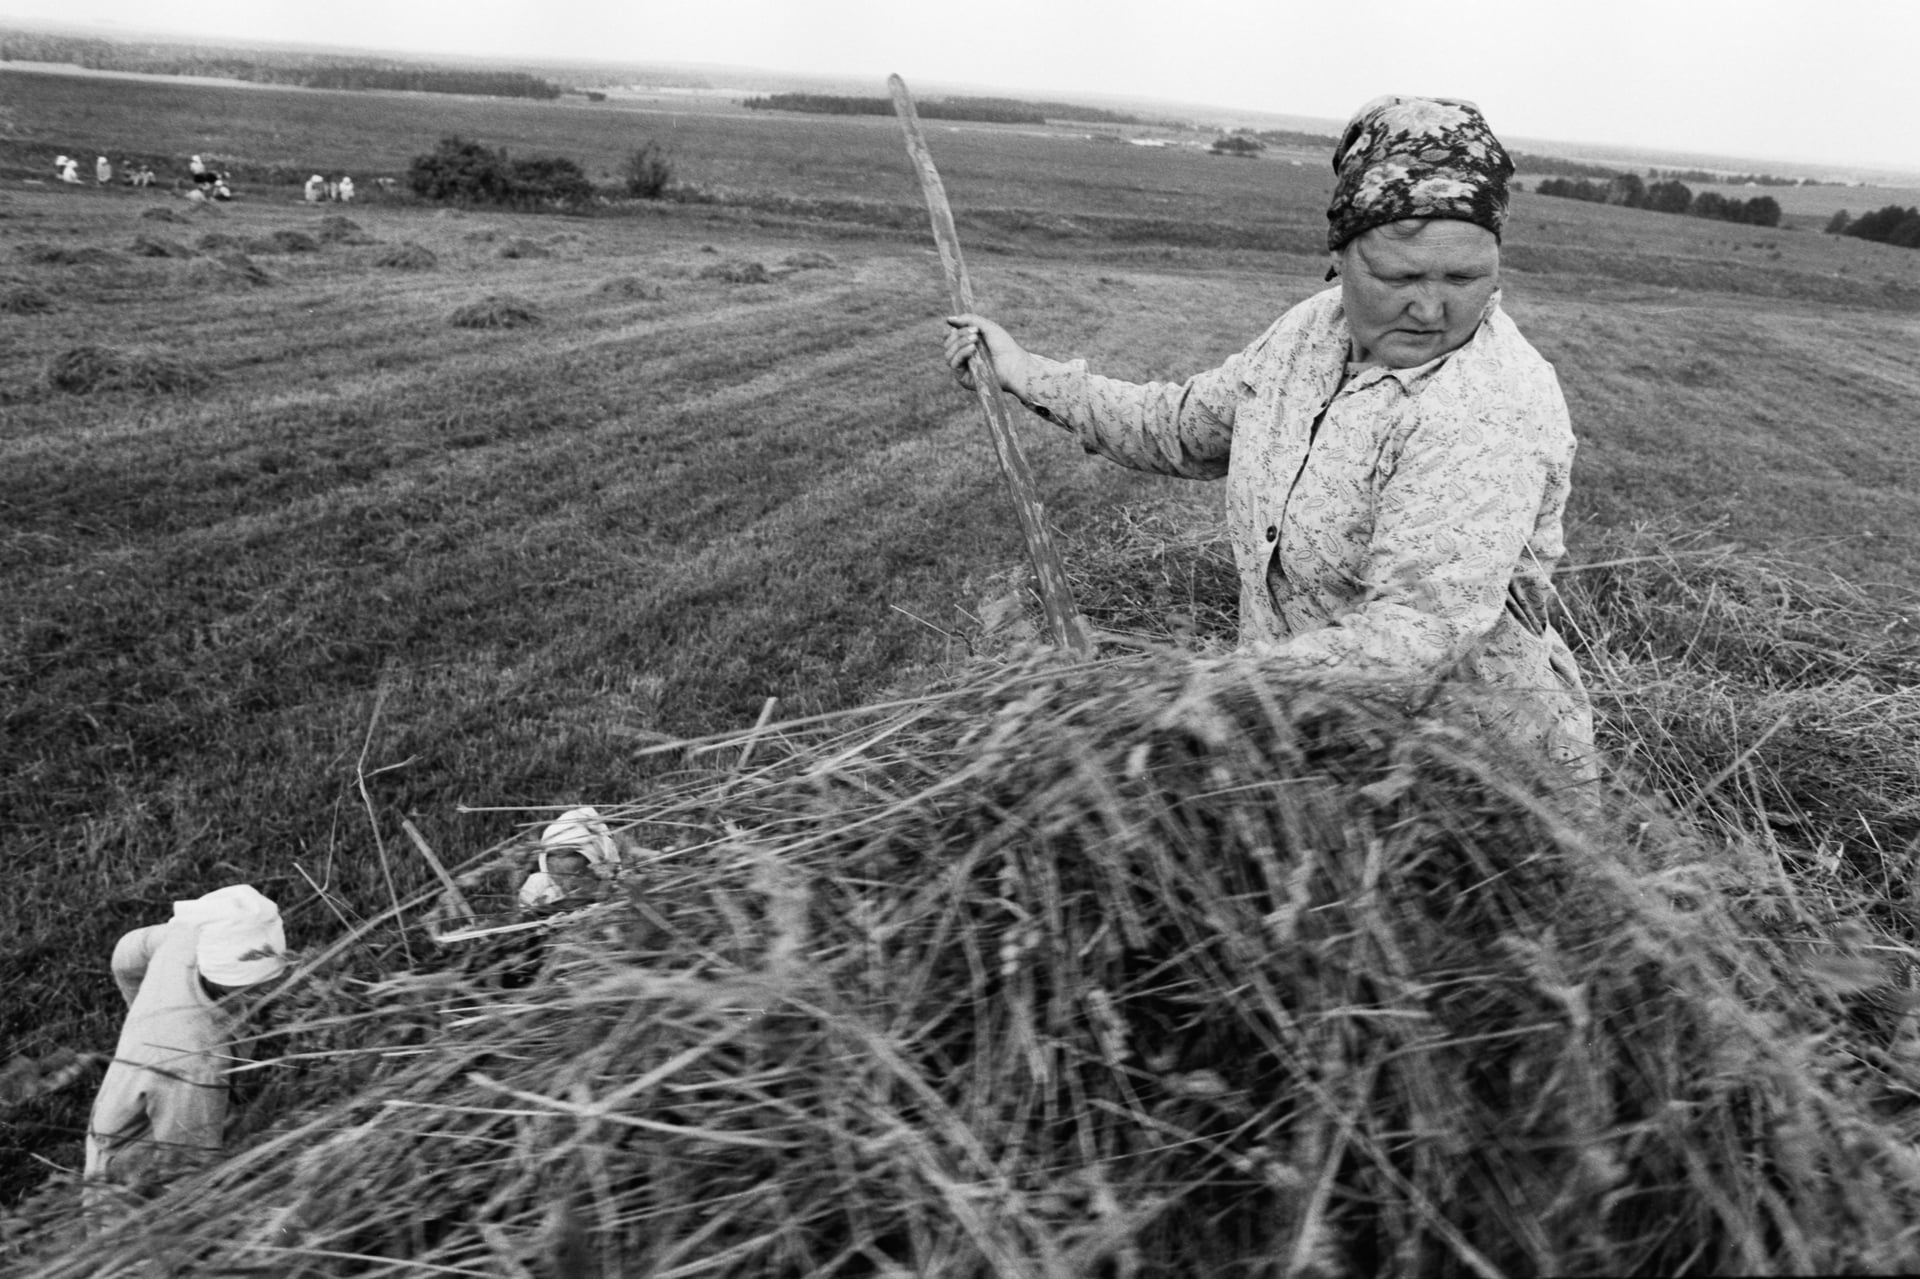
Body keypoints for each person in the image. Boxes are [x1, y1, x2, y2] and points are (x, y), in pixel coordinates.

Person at [942, 94, 1594, 778]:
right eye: (1398, 276)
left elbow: (1414, 639)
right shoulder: (1309, 337)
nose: (1431, 308)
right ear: (1340, 256)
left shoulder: (1491, 403)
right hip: (1305, 749)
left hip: (1468, 792)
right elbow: (1181, 428)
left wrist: (1195, 693)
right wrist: (1025, 373)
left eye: (1465, 277)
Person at [84, 885, 288, 1205]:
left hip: (130, 1102)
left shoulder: (187, 937)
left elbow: (126, 955)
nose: (268, 992)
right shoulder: (197, 1062)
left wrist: (138, 1014)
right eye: (256, 988)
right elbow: (189, 1173)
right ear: (227, 980)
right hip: (129, 1176)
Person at [517, 806, 619, 913]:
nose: (556, 863)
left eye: (567, 855)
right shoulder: (538, 886)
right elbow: (524, 917)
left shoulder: (610, 888)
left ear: (591, 860)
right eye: (552, 856)